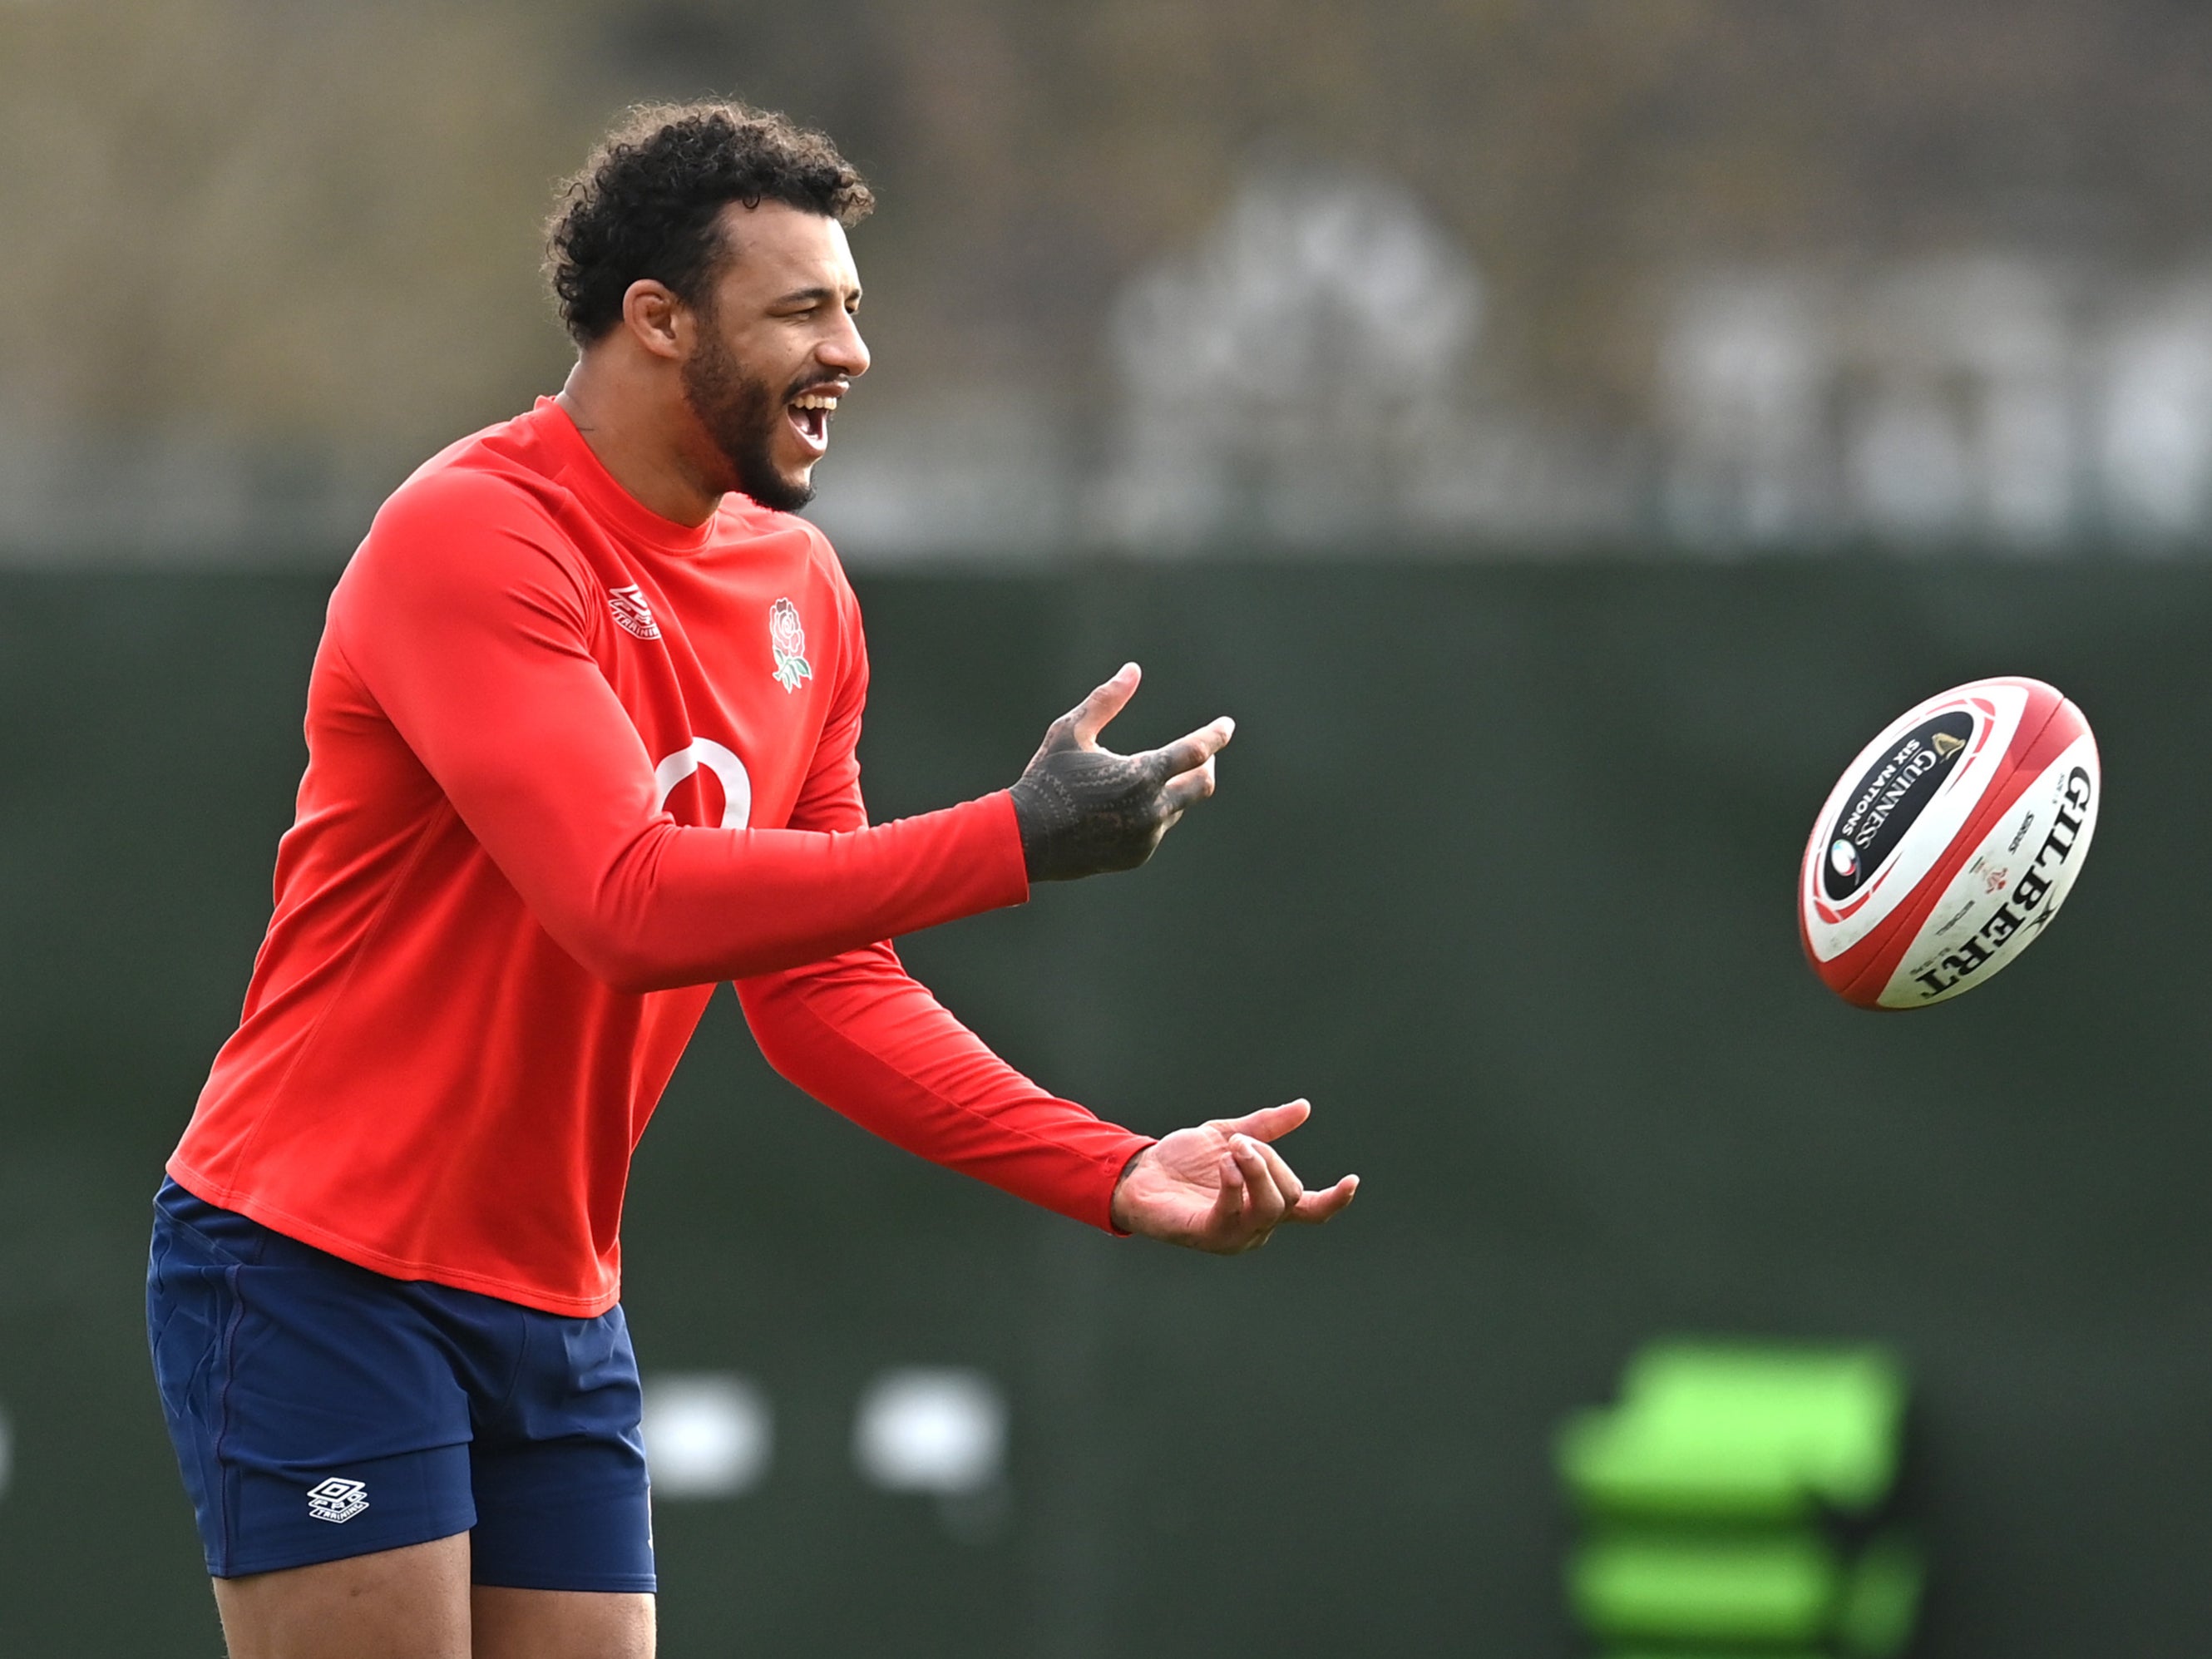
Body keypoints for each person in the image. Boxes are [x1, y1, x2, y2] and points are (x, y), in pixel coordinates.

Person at [146, 101, 1356, 1659]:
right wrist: (1012, 841)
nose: (849, 349)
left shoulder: (801, 589)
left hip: (556, 1300)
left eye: (852, 306)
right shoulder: (474, 536)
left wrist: (1111, 1169)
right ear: (657, 321)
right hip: (319, 1267)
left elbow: (822, 988)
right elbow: (624, 903)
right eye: (803, 309)